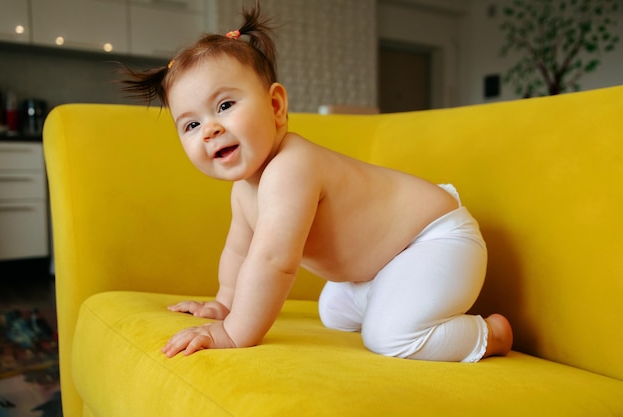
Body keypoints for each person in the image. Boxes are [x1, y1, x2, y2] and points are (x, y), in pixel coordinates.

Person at [121, 0, 513, 362]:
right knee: (333, 311)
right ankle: (390, 297)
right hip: (383, 266)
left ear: (275, 106)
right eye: (191, 124)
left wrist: (233, 332)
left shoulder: (292, 166)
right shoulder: (244, 190)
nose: (210, 129)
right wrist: (226, 303)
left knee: (387, 337)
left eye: (225, 106)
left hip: (435, 241)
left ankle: (489, 334)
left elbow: (273, 262)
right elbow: (239, 255)